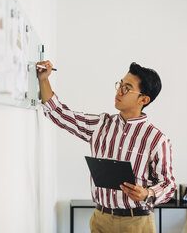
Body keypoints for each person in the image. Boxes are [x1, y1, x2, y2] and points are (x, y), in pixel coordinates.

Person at [37, 61, 176, 233]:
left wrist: (147, 194)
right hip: (100, 220)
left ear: (144, 99)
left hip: (137, 223)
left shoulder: (156, 139)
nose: (119, 91)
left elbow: (169, 185)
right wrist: (43, 80)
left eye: (127, 88)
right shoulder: (101, 125)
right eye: (120, 84)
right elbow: (60, 114)